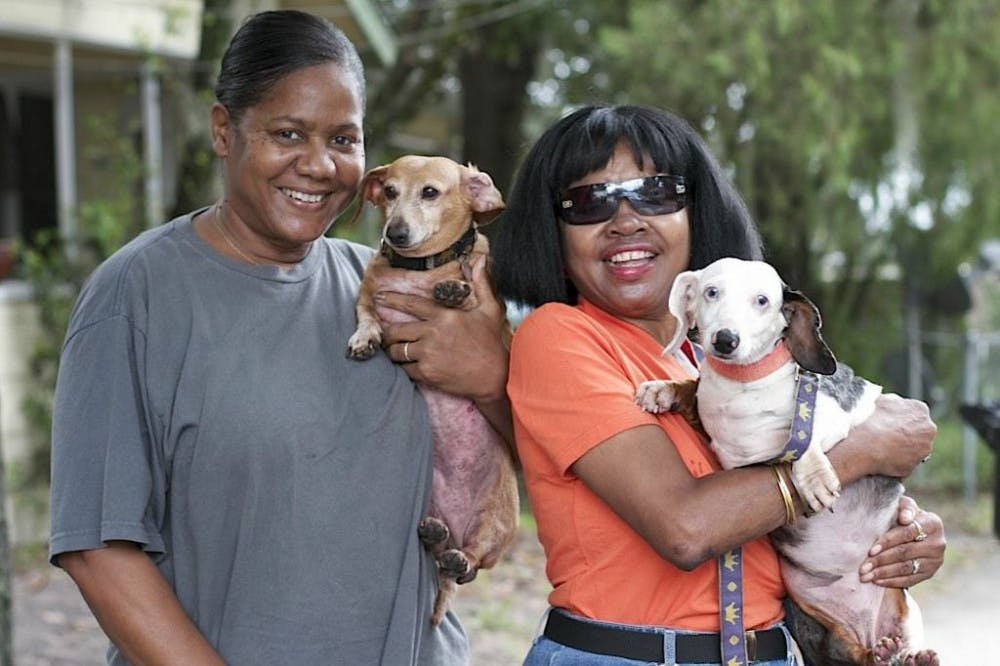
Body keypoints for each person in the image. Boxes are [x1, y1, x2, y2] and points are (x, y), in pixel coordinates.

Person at [47, 10, 509, 665]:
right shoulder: (137, 294)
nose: (319, 165)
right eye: (287, 133)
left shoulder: (389, 291)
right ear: (222, 131)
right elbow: (97, 547)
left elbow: (535, 458)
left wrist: (493, 383)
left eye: (344, 139)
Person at [487, 104, 946, 665]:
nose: (626, 220)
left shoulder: (717, 356)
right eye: (589, 202)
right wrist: (864, 448)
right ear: (552, 231)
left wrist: (895, 536)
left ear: (696, 213)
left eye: (655, 193)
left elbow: (781, 506)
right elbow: (687, 528)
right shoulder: (558, 338)